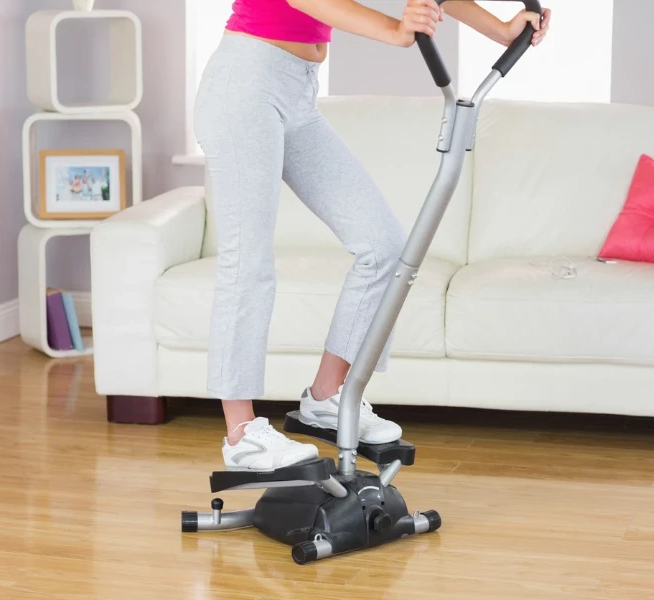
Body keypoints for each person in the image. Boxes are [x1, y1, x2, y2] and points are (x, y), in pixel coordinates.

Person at [194, 0, 551, 471]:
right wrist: (394, 30)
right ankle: (242, 435)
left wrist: (500, 29)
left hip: (298, 92)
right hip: (245, 82)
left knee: (385, 246)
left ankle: (325, 396)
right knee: (249, 262)